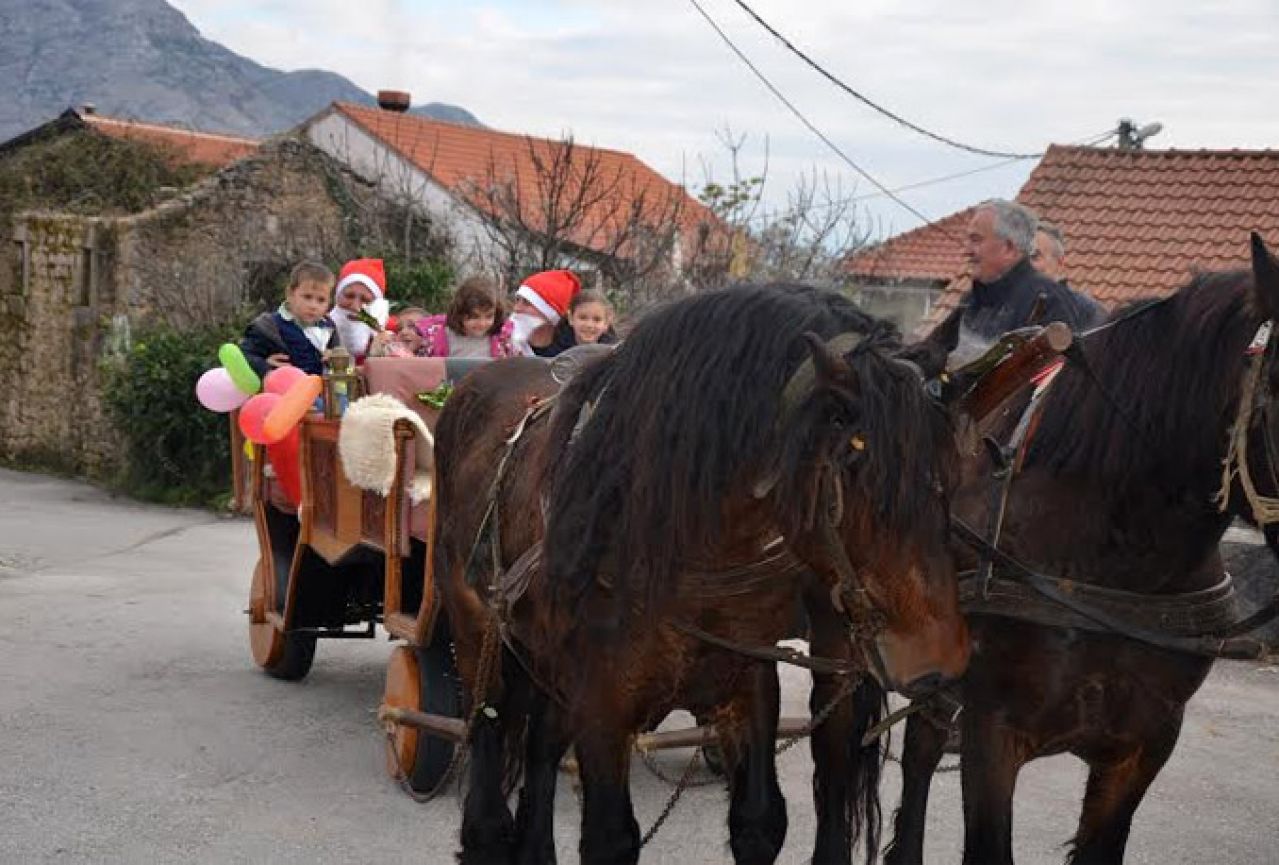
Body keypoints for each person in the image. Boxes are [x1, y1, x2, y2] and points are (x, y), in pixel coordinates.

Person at [960, 200, 1104, 344]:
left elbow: (1060, 364)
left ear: (1008, 248)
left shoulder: (1050, 304)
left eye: (976, 240)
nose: (966, 251)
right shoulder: (970, 302)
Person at [239, 260, 340, 377]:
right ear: (290, 294)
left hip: (321, 389)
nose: (313, 306)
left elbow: (341, 358)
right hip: (283, 389)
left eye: (321, 300)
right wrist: (264, 366)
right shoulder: (269, 326)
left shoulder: (328, 327)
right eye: (307, 297)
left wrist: (335, 358)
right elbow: (244, 356)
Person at [415, 277, 515, 358]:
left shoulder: (502, 340)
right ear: (460, 314)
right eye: (474, 317)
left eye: (489, 316)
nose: (482, 323)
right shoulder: (438, 337)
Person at [508, 269, 582, 357]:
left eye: (527, 303)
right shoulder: (497, 346)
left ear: (549, 313)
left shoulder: (573, 354)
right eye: (517, 300)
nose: (516, 308)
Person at [330, 258, 390, 362]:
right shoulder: (320, 325)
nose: (355, 307)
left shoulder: (394, 333)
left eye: (365, 300)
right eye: (349, 296)